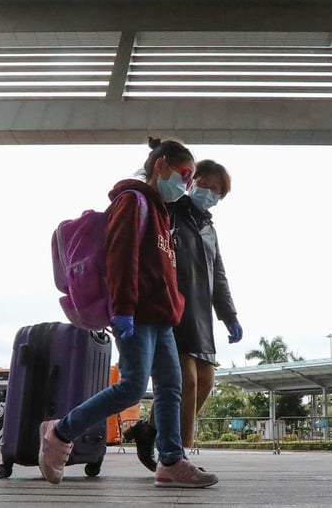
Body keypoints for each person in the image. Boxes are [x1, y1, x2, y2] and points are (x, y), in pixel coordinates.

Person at [38, 137, 218, 488]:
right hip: (135, 313)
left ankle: (170, 461)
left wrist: (174, 308)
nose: (186, 185)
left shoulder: (163, 213)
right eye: (184, 174)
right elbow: (121, 257)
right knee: (132, 387)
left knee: (171, 387)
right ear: (161, 165)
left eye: (191, 179)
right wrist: (122, 309)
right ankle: (59, 432)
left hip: (161, 316)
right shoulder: (133, 201)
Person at [124, 159, 242, 471]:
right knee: (183, 381)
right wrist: (158, 158)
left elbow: (218, 274)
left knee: (205, 380)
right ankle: (176, 456)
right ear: (192, 181)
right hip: (171, 306)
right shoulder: (171, 209)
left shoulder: (209, 230)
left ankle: (149, 429)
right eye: (205, 184)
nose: (210, 193)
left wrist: (228, 314)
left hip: (200, 314)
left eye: (217, 190)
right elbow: (153, 189)